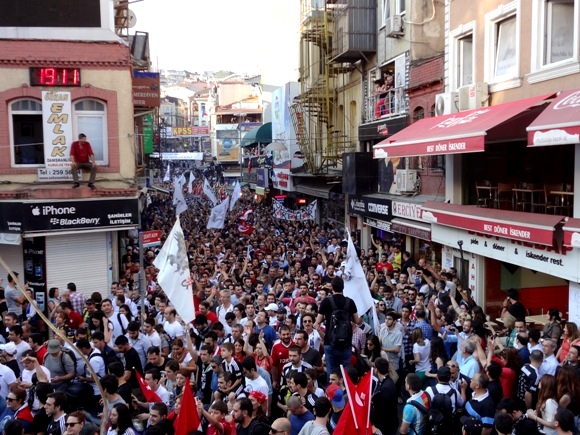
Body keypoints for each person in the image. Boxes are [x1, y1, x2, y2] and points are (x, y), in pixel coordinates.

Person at [314, 277, 359, 379]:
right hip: (346, 343)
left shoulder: (326, 302)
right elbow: (356, 320)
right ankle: (345, 392)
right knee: (346, 373)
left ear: (332, 288)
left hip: (330, 342)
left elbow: (318, 321)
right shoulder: (350, 302)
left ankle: (332, 392)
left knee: (331, 372)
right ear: (343, 287)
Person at [372, 357, 398, 435]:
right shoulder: (385, 381)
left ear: (376, 369)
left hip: (386, 427)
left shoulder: (386, 387)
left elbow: (384, 411)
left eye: (374, 367)